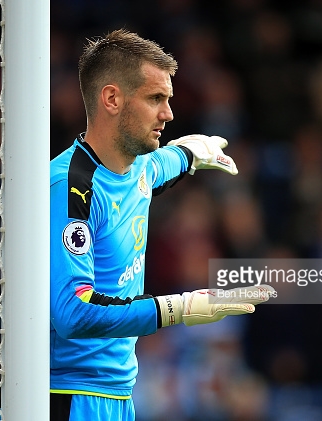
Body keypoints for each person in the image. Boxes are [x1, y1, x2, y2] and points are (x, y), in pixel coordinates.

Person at [49, 28, 275, 421]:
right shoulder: (71, 190)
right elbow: (73, 311)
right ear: (112, 99)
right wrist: (180, 308)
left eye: (168, 100)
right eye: (156, 99)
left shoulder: (137, 167)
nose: (168, 113)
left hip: (118, 395)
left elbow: (163, 165)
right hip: (64, 395)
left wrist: (191, 151)